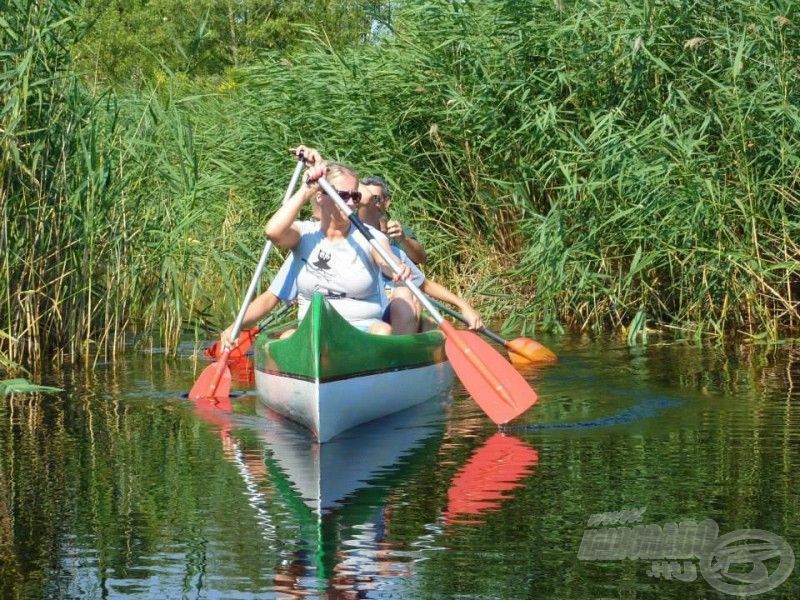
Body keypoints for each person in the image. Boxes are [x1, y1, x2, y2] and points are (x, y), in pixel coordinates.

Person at [264, 147, 411, 335]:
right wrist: (307, 188)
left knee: (382, 330)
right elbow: (272, 231)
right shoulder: (305, 233)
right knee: (287, 336)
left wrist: (396, 268)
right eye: (342, 196)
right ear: (321, 196)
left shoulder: (370, 236)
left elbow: (386, 261)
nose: (350, 203)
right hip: (314, 331)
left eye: (354, 196)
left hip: (362, 330)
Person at [357, 177, 484, 334]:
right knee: (420, 313)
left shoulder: (397, 248)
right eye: (366, 197)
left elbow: (423, 273)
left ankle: (410, 339)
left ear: (386, 202)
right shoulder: (347, 241)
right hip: (361, 318)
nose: (372, 204)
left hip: (391, 314)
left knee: (413, 302)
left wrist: (464, 305)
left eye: (376, 199)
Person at [360, 176, 426, 264]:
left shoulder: (395, 230)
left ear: (386, 202)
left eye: (375, 199)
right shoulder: (348, 228)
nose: (370, 204)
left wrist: (404, 239)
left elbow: (421, 259)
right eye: (364, 198)